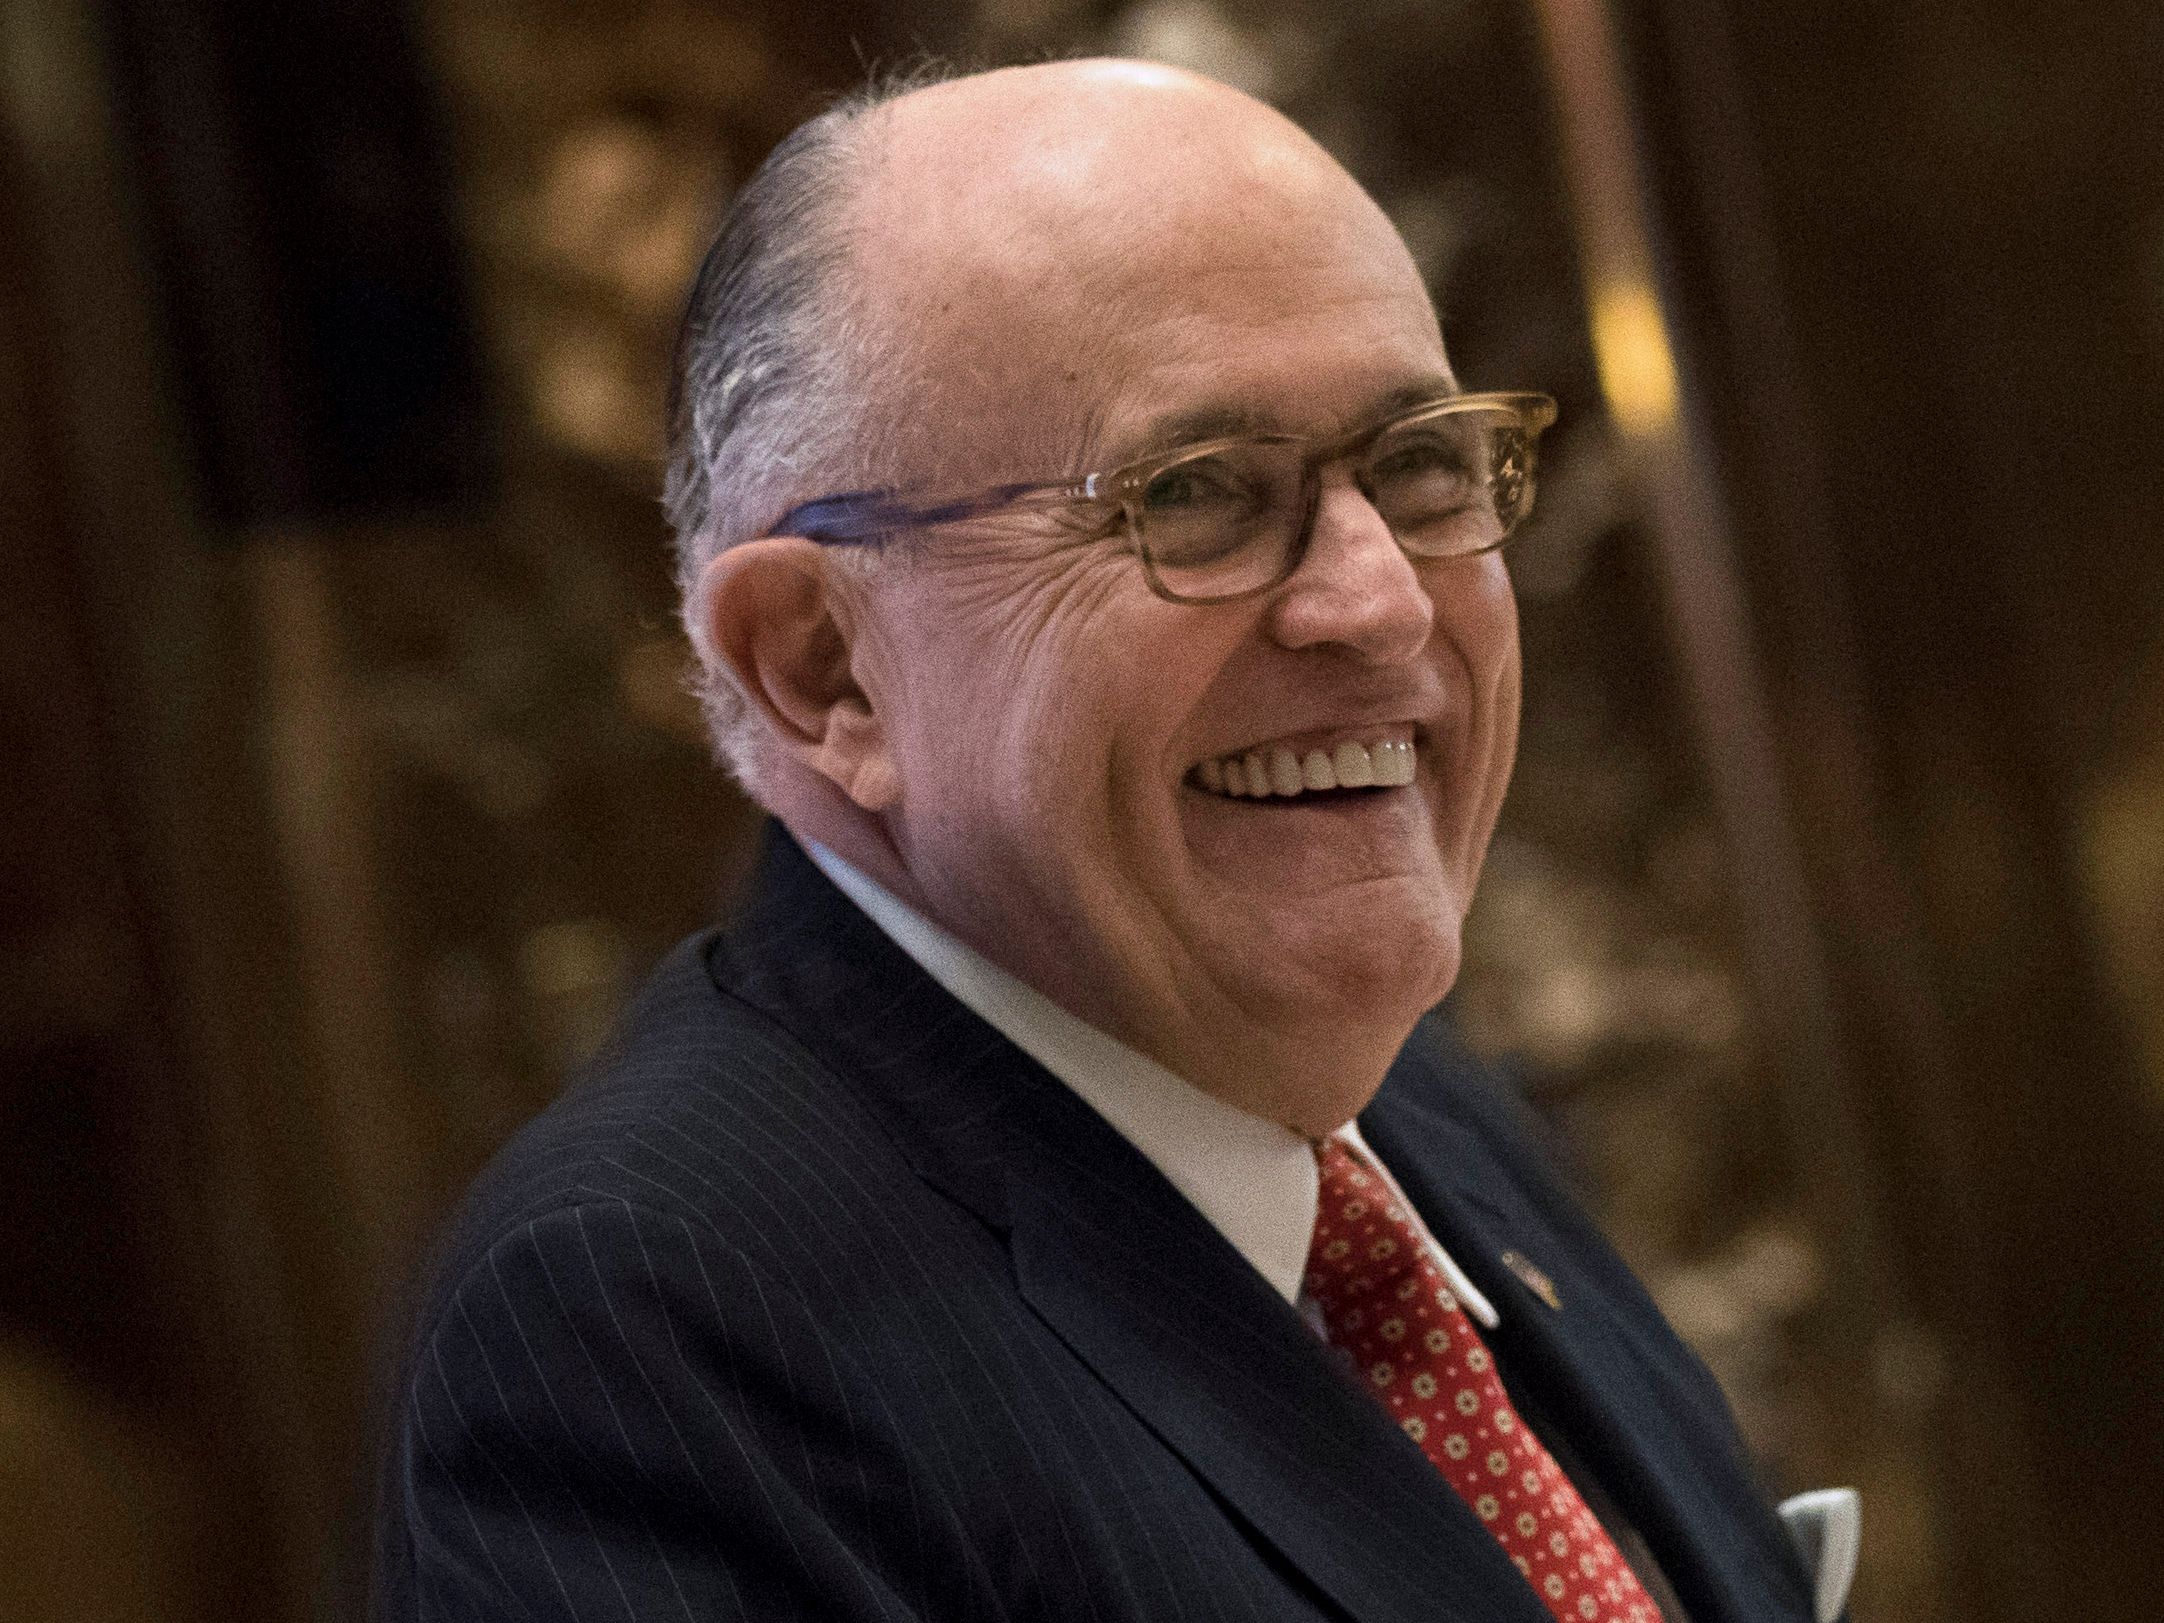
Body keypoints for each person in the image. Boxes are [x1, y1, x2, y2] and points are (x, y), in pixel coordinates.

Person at [373, 58, 1857, 1623]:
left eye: (1422, 466)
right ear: (822, 666)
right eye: (1197, 495)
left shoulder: (1402, 1109)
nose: (1379, 602)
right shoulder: (643, 1332)